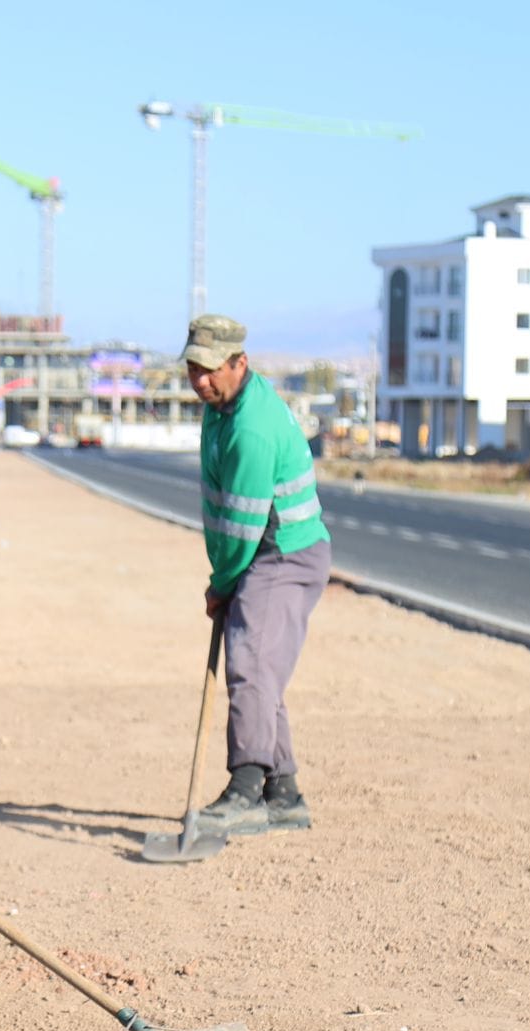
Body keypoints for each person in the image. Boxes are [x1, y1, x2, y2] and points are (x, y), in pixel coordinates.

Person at [183, 314, 331, 836]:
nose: (200, 380)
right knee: (263, 671)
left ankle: (245, 790)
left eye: (209, 370)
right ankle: (283, 793)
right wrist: (223, 578)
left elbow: (242, 526)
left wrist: (222, 584)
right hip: (262, 551)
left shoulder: (250, 427)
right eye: (193, 369)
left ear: (239, 363)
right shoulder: (224, 406)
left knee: (248, 663)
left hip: (282, 552)